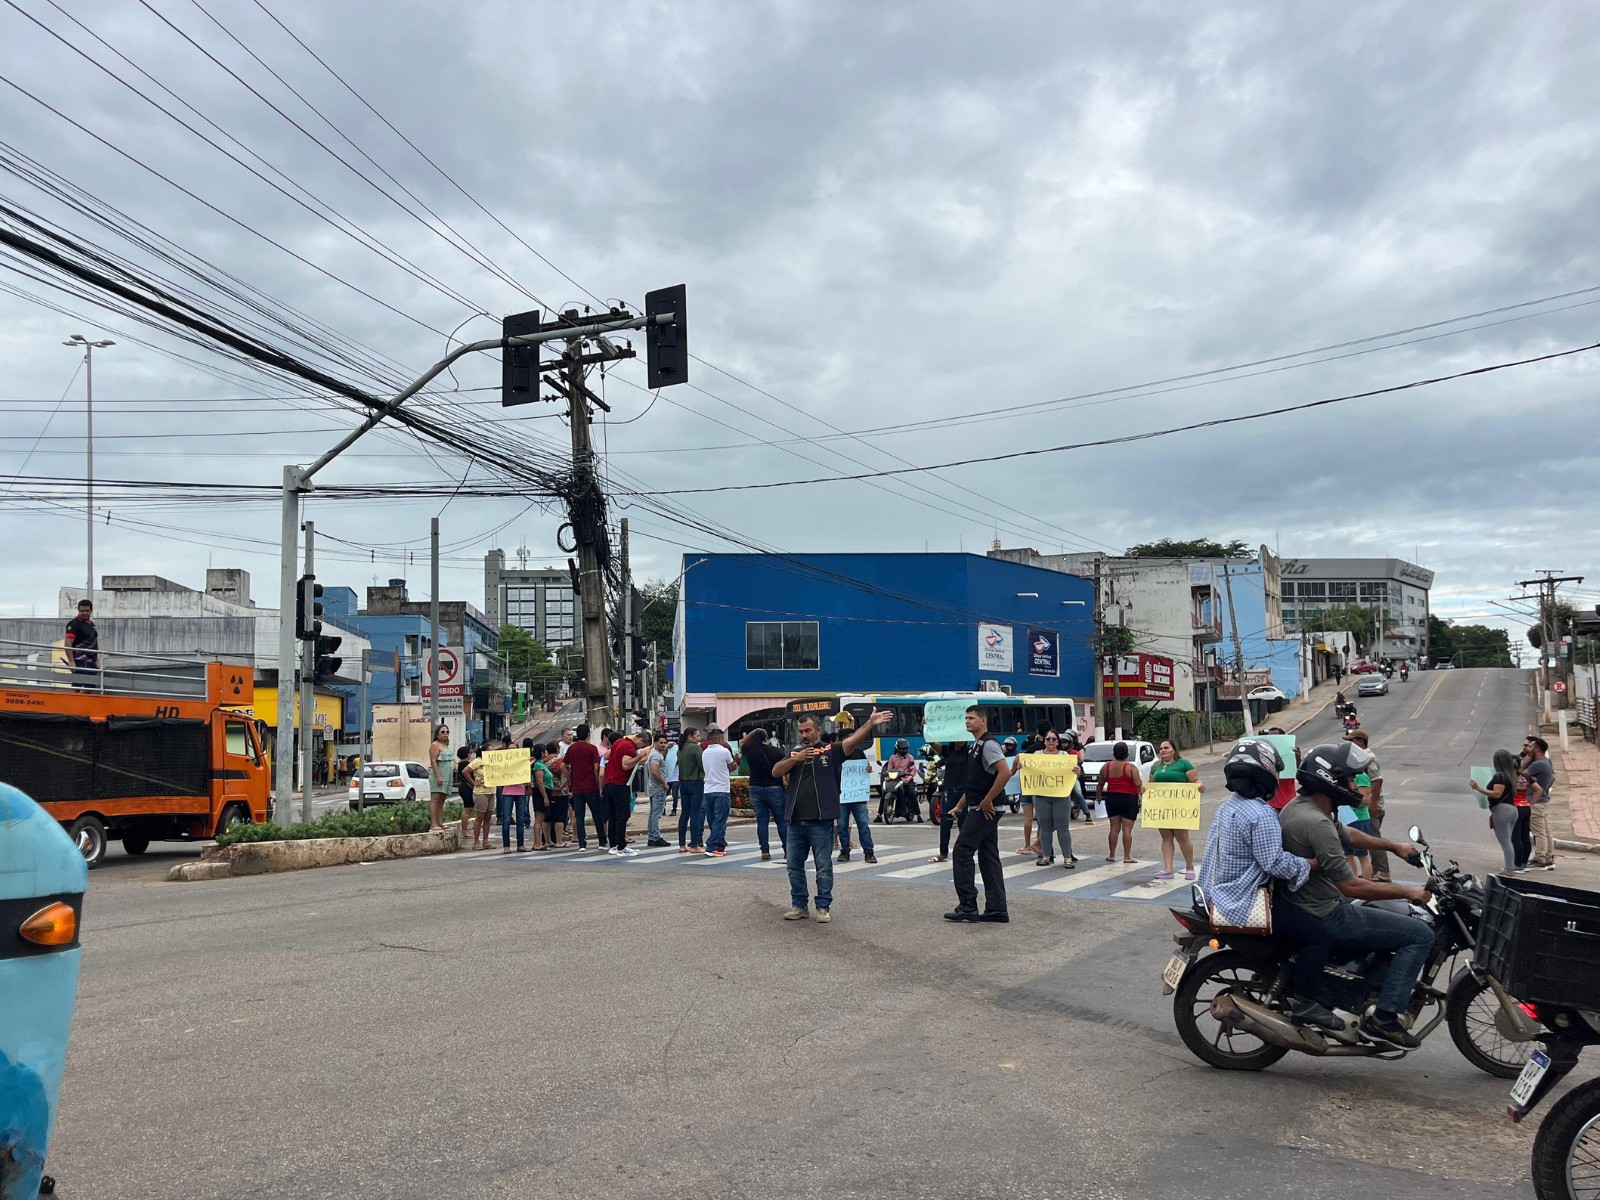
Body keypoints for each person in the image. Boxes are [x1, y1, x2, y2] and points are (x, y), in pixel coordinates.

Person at [1272, 741, 1432, 1049]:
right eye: (1347, 780)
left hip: (1310, 901)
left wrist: (1394, 846)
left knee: (1387, 913)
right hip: (1324, 910)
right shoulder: (1315, 821)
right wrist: (1409, 891)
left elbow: (1347, 835)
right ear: (1329, 781)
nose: (1353, 786)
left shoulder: (1306, 807)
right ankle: (1384, 1020)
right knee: (1420, 934)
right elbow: (1351, 885)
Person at [1195, 738, 1330, 1028]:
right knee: (1318, 934)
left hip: (1215, 895)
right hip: (1242, 902)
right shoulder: (1261, 814)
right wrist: (1311, 864)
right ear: (1266, 774)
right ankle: (1307, 1003)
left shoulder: (1228, 807)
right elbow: (1275, 864)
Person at [773, 709, 892, 922]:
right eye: (801, 732)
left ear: (817, 730)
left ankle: (823, 906)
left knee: (823, 866)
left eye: (808, 730)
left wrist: (870, 724)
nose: (804, 735)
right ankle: (799, 905)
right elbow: (776, 771)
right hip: (794, 821)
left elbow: (853, 740)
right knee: (793, 866)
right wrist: (796, 758)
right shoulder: (795, 753)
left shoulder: (830, 751)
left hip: (821, 821)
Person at [945, 705, 1012, 923]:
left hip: (986, 809)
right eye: (965, 718)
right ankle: (997, 909)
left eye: (971, 718)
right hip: (978, 806)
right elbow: (975, 783)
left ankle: (967, 906)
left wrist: (987, 799)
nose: (967, 721)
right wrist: (959, 807)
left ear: (983, 721)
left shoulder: (989, 744)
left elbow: (1005, 772)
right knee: (988, 855)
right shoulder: (975, 745)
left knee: (962, 850)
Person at [1149, 740, 1204, 880]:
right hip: (1162, 807)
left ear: (1174, 749)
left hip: (1180, 807)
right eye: (1161, 748)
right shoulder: (1156, 766)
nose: (1162, 750)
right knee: (1166, 836)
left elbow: (1195, 780)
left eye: (1166, 747)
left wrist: (1200, 785)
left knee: (1182, 836)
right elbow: (1151, 785)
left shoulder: (1184, 764)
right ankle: (1168, 868)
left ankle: (1190, 868)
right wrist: (1144, 790)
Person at [1341, 728, 1391, 880]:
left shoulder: (1367, 758)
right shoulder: (1358, 758)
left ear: (1360, 742)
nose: (1349, 743)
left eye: (1351, 740)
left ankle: (1382, 871)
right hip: (1358, 809)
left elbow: (1377, 780)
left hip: (1370, 807)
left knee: (1373, 839)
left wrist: (1373, 805)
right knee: (1363, 843)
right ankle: (1372, 872)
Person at [1471, 749, 1522, 876]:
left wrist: (1478, 788)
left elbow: (1496, 794)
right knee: (1508, 840)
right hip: (1512, 809)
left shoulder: (1500, 776)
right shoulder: (1511, 775)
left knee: (1505, 842)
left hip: (1502, 810)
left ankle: (1509, 869)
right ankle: (1509, 867)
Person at [1031, 731, 1078, 868]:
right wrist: (1023, 767)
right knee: (1044, 826)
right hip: (1041, 796)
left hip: (1061, 795)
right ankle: (1046, 856)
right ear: (1044, 741)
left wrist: (1077, 771)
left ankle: (1067, 858)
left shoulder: (1065, 756)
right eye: (1048, 739)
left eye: (1053, 739)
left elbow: (1074, 772)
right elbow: (1027, 769)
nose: (1051, 741)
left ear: (1057, 741)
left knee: (1063, 827)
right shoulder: (1036, 756)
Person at [742, 728, 788, 860]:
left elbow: (742, 743)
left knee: (762, 821)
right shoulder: (777, 751)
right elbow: (785, 769)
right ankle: (787, 849)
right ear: (767, 738)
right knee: (781, 821)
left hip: (755, 788)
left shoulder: (750, 750)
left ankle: (765, 850)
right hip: (774, 787)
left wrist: (754, 731)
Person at [1096, 741, 1143, 864]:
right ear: (1127, 754)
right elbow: (1138, 784)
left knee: (1114, 828)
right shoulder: (1131, 768)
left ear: (1114, 754)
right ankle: (1127, 857)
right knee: (1127, 829)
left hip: (1112, 798)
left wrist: (1098, 797)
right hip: (1129, 799)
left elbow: (1100, 784)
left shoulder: (1106, 767)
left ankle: (1112, 855)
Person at [835, 737, 877, 865]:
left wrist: (868, 769)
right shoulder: (836, 753)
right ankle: (845, 851)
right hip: (842, 796)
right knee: (842, 826)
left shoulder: (858, 751)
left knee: (863, 825)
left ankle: (869, 852)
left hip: (858, 796)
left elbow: (866, 767)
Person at [564, 724, 603, 850]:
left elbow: (562, 765)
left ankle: (582, 843)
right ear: (588, 735)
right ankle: (602, 841)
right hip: (591, 786)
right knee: (597, 814)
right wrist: (599, 784)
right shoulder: (592, 749)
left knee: (579, 816)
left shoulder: (572, 749)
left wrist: (570, 779)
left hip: (577, 787)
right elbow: (596, 768)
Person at [603, 727, 640, 857]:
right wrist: (640, 756)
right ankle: (621, 846)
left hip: (609, 784)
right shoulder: (628, 746)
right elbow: (626, 765)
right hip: (619, 784)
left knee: (613, 816)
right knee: (621, 816)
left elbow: (606, 756)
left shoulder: (617, 744)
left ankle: (613, 845)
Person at [930, 742, 968, 863]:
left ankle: (965, 851)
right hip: (949, 791)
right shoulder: (947, 751)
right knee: (945, 822)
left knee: (963, 822)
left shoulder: (969, 752)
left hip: (964, 792)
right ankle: (943, 852)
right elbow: (932, 743)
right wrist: (926, 728)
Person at [700, 727, 735, 857]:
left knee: (712, 820)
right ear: (720, 739)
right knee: (720, 820)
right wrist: (736, 760)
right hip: (722, 790)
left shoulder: (704, 752)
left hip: (708, 790)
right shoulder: (725, 751)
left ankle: (720, 846)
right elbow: (731, 767)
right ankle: (711, 846)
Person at [1524, 735, 1557, 869]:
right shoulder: (1547, 762)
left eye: (1530, 746)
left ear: (1537, 749)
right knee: (1546, 831)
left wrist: (1525, 762)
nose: (1528, 749)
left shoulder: (1537, 764)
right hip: (1543, 800)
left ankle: (1540, 857)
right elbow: (1553, 777)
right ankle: (1548, 856)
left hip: (1535, 801)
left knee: (1539, 832)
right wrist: (1545, 788)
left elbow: (1522, 775)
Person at [497, 739, 532, 853]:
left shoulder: (523, 762)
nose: (512, 751)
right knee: (506, 819)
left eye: (514, 749)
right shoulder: (503, 763)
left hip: (520, 791)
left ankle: (520, 844)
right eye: (510, 749)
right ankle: (506, 846)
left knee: (520, 819)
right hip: (507, 792)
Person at [677, 728, 705, 853]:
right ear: (690, 736)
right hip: (695, 781)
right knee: (695, 814)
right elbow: (702, 764)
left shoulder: (680, 749)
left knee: (684, 814)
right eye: (697, 736)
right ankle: (694, 844)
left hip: (683, 782)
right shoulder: (696, 748)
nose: (699, 738)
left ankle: (682, 844)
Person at [64, 597, 100, 689]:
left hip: (91, 660)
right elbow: (68, 644)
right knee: (77, 685)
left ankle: (83, 702)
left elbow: (94, 641)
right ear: (78, 610)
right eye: (82, 610)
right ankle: (74, 703)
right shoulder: (74, 624)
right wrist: (71, 661)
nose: (84, 613)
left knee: (90, 686)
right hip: (79, 660)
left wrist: (96, 659)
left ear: (91, 611)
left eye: (87, 611)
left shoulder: (91, 624)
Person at [644, 731, 672, 848]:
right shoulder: (655, 755)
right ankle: (656, 837)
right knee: (656, 814)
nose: (663, 745)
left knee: (653, 813)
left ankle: (652, 836)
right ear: (654, 743)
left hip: (654, 787)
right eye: (660, 742)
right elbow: (655, 772)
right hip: (658, 788)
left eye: (664, 743)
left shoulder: (656, 753)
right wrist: (664, 784)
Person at [883, 738, 921, 822]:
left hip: (907, 779)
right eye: (903, 749)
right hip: (895, 779)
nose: (905, 750)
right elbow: (889, 769)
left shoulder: (910, 757)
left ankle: (918, 814)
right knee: (885, 792)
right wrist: (887, 774)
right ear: (897, 748)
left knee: (911, 793)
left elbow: (913, 770)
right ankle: (879, 814)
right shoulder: (892, 758)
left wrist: (907, 779)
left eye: (906, 749)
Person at [426, 724, 453, 833]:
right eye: (443, 732)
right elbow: (433, 761)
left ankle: (440, 821)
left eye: (447, 732)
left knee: (442, 799)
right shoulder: (435, 745)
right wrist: (438, 776)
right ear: (437, 734)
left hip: (447, 774)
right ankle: (434, 823)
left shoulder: (446, 745)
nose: (445, 734)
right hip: (438, 775)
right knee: (435, 799)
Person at [665, 733, 681, 817]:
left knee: (674, 796)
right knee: (665, 795)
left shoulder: (677, 755)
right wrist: (667, 748)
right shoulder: (666, 755)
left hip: (675, 778)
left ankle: (673, 810)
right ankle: (663, 810)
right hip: (668, 779)